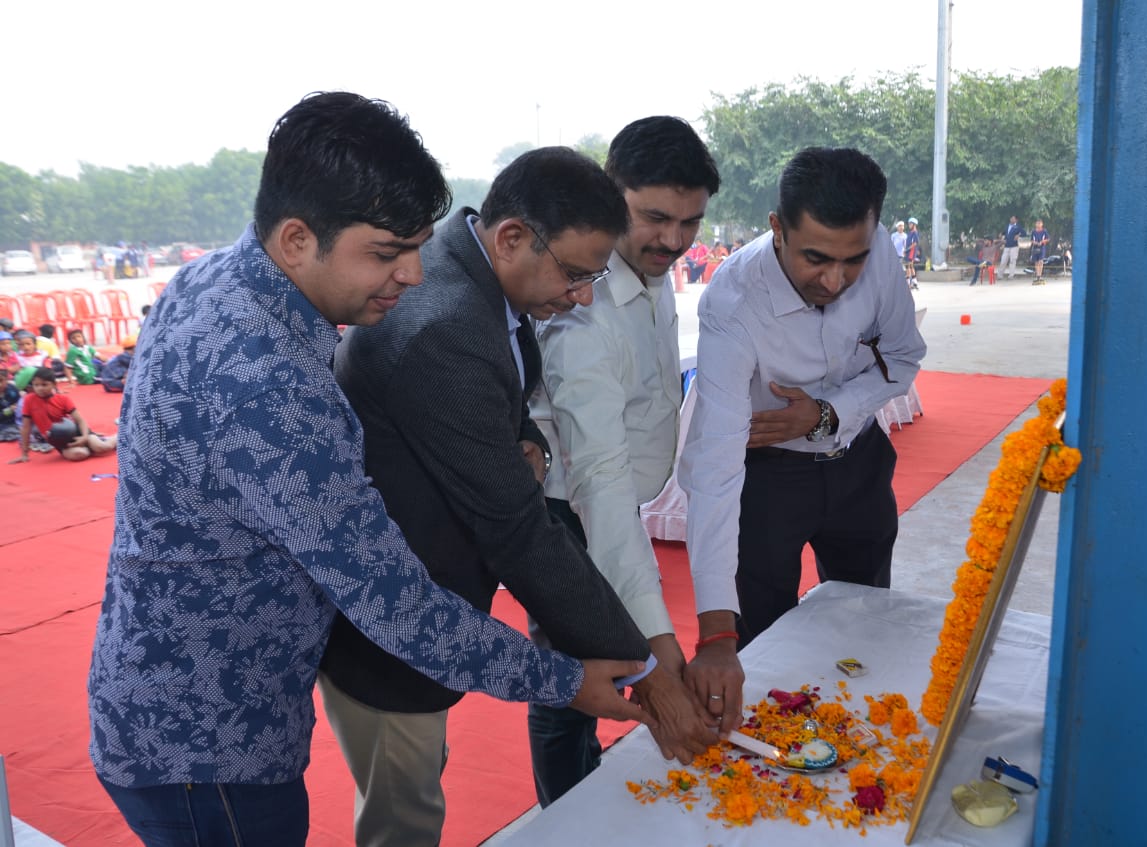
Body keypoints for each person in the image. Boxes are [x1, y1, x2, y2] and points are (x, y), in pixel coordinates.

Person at [85, 92, 648, 847]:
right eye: (386, 252)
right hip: (207, 744)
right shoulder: (270, 384)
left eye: (417, 246)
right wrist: (567, 681)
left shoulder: (221, 281)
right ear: (295, 239)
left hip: (179, 701)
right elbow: (399, 607)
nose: (413, 275)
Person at [318, 145, 705, 846]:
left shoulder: (478, 274)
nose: (584, 296)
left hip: (433, 590)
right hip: (390, 627)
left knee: (417, 780)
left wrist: (531, 440)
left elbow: (510, 389)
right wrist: (646, 665)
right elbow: (520, 531)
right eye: (578, 274)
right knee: (404, 817)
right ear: (513, 237)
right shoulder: (445, 326)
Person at [678, 147, 927, 726]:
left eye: (853, 261)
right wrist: (716, 628)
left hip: (858, 464)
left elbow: (903, 356)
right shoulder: (732, 302)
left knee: (867, 621)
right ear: (777, 230)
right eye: (815, 258)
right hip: (767, 476)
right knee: (762, 640)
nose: (835, 280)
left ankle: (859, 746)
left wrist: (826, 413)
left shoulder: (879, 254)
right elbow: (714, 462)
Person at [529, 116, 722, 805]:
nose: (673, 239)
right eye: (655, 217)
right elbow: (600, 485)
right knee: (567, 684)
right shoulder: (581, 306)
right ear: (610, 194)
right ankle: (567, 813)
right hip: (569, 510)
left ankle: (585, 783)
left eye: (690, 221)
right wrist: (660, 643)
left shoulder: (647, 266)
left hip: (612, 503)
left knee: (595, 676)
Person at [8, 367, 117, 462]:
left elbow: (80, 420)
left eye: (44, 384)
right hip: (60, 440)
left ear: (54, 384)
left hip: (77, 432)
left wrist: (84, 437)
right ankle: (90, 447)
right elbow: (25, 427)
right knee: (80, 454)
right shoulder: (29, 400)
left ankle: (118, 436)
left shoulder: (62, 399)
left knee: (103, 447)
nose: (40, 388)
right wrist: (24, 454)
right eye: (36, 385)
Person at [997, 215, 1026, 279]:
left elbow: (1024, 233)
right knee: (1003, 260)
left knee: (1012, 261)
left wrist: (1018, 235)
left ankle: (1011, 276)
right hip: (1007, 246)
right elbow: (1004, 232)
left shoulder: (1017, 227)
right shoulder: (1007, 226)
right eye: (1011, 218)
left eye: (1013, 219)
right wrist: (1001, 234)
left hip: (1014, 246)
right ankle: (1000, 275)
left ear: (1016, 220)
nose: (1012, 220)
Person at [1031, 219, 1050, 284]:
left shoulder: (1044, 231)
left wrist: (1042, 241)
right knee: (1036, 262)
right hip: (1035, 247)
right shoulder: (1033, 231)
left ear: (1042, 224)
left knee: (1040, 261)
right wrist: (1035, 243)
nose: (1038, 225)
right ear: (1035, 224)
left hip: (1042, 247)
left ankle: (1040, 275)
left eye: (1039, 223)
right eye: (1037, 223)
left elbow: (1048, 239)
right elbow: (1031, 240)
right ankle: (1037, 275)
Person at [903, 217, 921, 290]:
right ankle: (915, 282)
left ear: (914, 225)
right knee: (911, 267)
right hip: (908, 252)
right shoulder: (910, 233)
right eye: (909, 224)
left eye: (910, 224)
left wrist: (906, 250)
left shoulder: (915, 233)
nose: (909, 225)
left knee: (908, 267)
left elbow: (915, 243)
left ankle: (908, 283)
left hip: (911, 252)